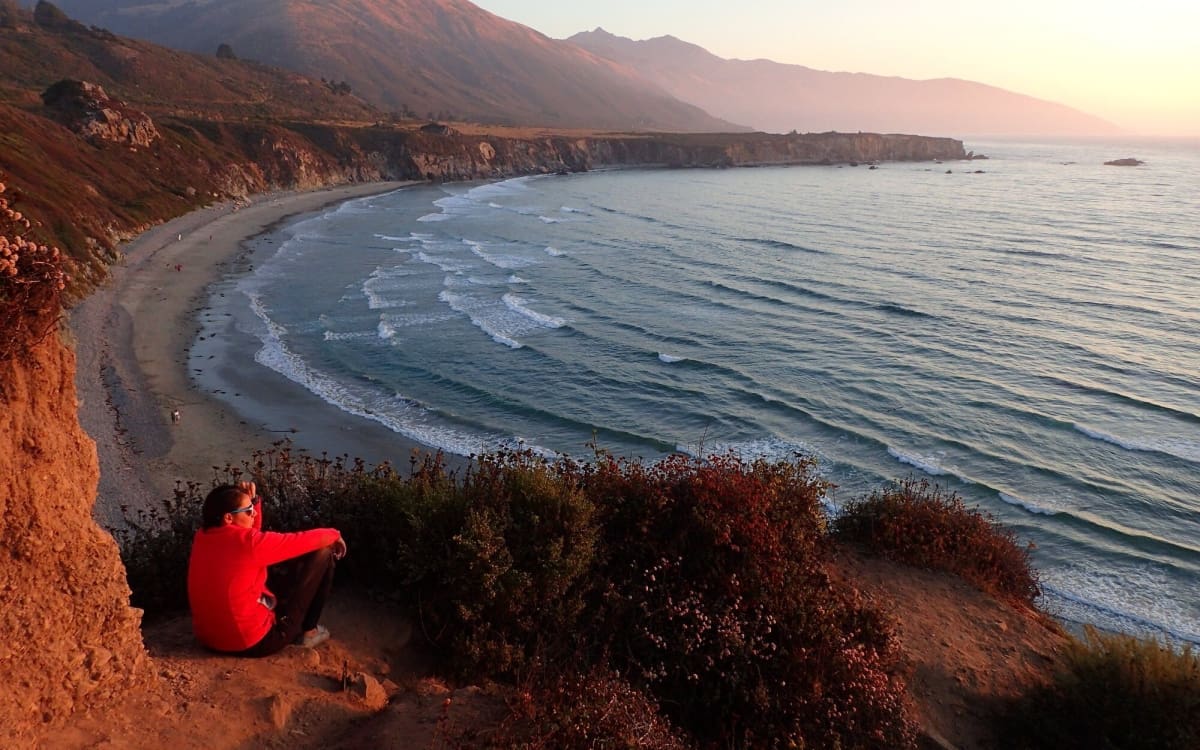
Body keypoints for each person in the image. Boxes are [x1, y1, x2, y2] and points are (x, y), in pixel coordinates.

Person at [187, 480, 346, 656]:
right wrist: (334, 534)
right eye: (248, 511)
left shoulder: (202, 536)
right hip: (254, 642)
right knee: (324, 552)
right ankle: (309, 631)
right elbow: (299, 541)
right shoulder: (250, 544)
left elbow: (248, 540)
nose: (254, 513)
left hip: (209, 639)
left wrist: (253, 501)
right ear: (228, 518)